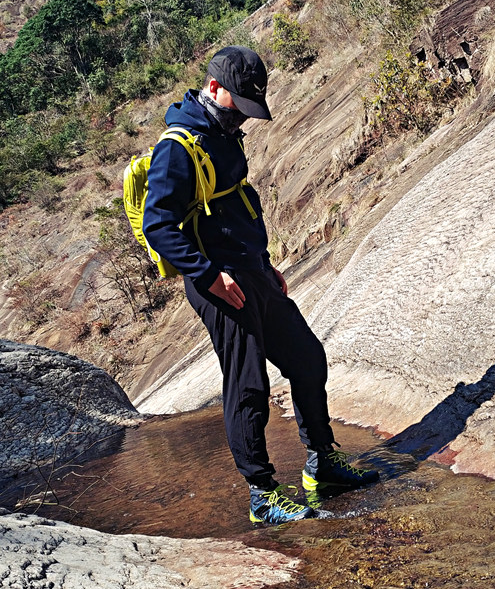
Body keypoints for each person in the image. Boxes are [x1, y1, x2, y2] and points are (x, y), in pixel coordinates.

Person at [143, 46, 378, 525]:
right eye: (239, 108)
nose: (243, 121)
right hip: (217, 281)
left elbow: (238, 207)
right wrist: (209, 275)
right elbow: (158, 225)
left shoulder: (224, 135)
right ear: (213, 89)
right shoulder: (177, 147)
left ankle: (323, 463)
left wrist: (265, 263)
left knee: (307, 358)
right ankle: (262, 495)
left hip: (252, 272)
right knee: (249, 384)